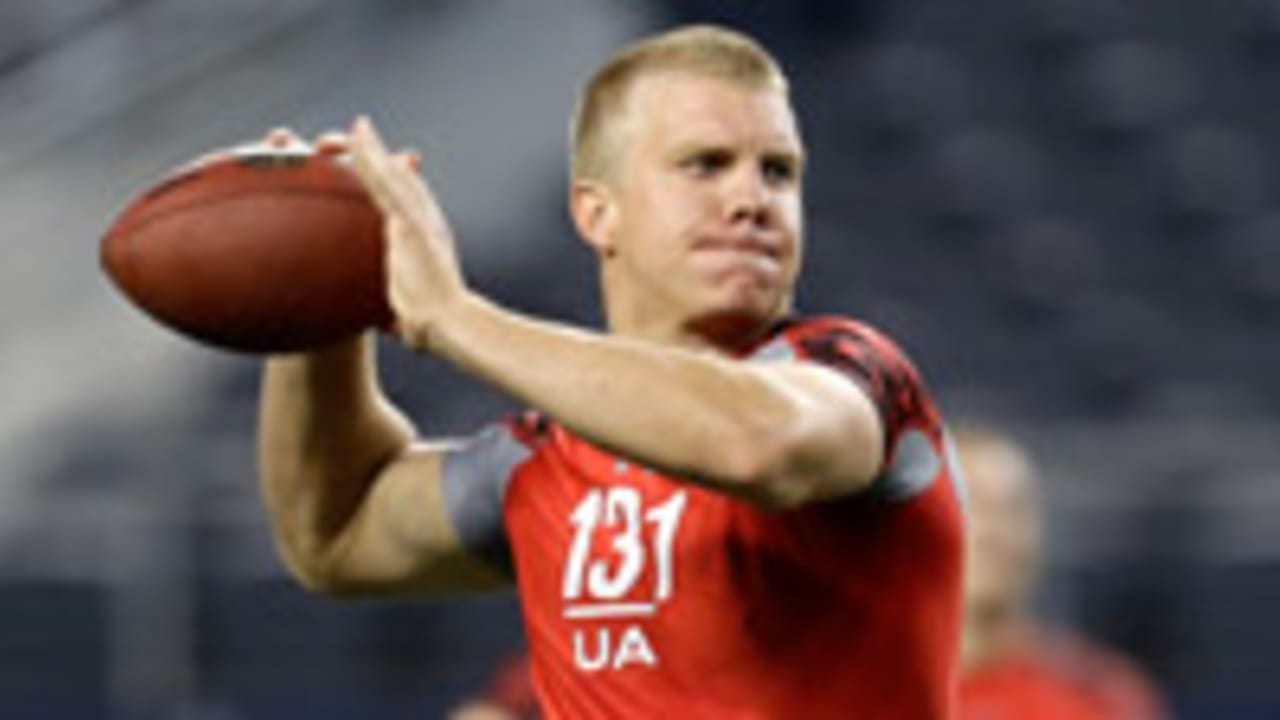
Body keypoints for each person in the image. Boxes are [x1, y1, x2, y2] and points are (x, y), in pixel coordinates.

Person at [258, 25, 966, 719]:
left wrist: (455, 316)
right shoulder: (545, 462)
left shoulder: (857, 374)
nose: (753, 200)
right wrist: (318, 296)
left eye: (778, 171)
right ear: (598, 215)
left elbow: (756, 441)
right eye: (707, 164)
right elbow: (334, 533)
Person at [955, 425, 1168, 720]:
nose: (993, 531)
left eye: (1011, 508)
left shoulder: (1097, 691)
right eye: (970, 504)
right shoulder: (878, 684)